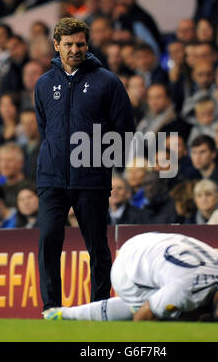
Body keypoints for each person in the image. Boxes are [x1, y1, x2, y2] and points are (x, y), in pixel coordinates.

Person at [34, 17, 135, 313]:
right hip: (51, 177)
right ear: (57, 46)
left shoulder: (108, 81)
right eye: (68, 44)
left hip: (91, 179)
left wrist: (100, 162)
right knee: (49, 239)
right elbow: (45, 127)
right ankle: (51, 307)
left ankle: (99, 307)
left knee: (97, 246)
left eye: (80, 43)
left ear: (87, 44)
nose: (75, 49)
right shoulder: (43, 84)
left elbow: (125, 130)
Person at [43, 231, 218, 322]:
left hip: (154, 242)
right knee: (176, 314)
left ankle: (60, 314)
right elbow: (144, 316)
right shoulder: (186, 290)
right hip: (128, 269)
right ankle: (67, 316)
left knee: (203, 313)